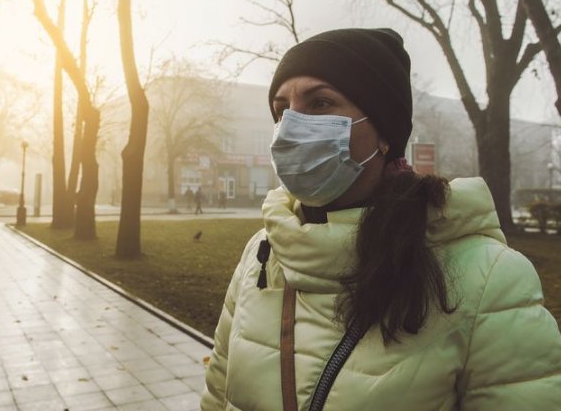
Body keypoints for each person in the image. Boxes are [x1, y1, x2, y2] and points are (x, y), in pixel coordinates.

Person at [201, 29, 561, 411]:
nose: (290, 127)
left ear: (385, 135)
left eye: (321, 102)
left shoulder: (490, 280)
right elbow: (218, 395)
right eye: (280, 110)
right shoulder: (260, 253)